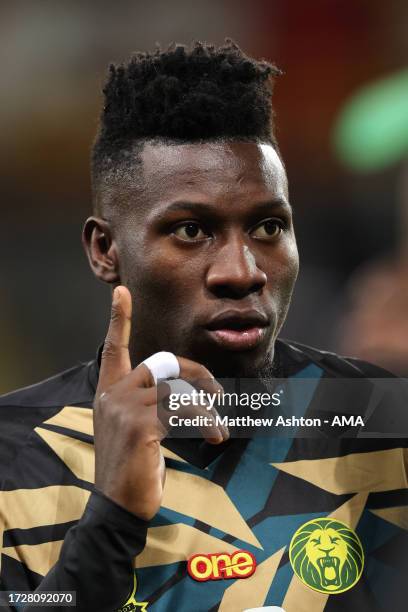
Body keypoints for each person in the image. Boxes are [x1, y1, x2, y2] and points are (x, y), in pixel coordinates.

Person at [0, 40, 406, 612]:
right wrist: (112, 522)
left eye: (268, 227)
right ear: (104, 249)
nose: (242, 272)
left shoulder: (382, 423)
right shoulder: (13, 456)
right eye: (191, 231)